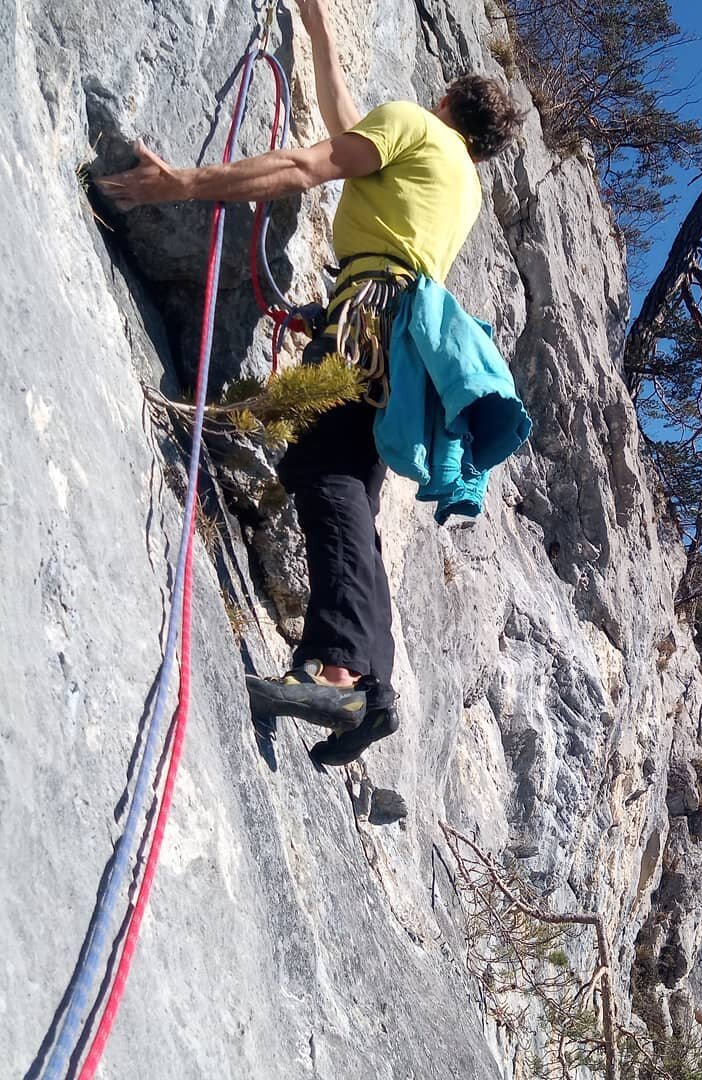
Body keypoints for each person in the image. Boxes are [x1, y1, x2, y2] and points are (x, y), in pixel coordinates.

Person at [98, 0, 525, 765]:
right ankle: (370, 689)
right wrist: (319, 25)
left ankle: (341, 673)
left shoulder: (413, 127)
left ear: (445, 99)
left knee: (323, 466)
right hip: (399, 337)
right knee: (354, 490)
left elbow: (307, 163)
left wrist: (185, 184)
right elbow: (346, 122)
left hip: (366, 317)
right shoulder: (460, 183)